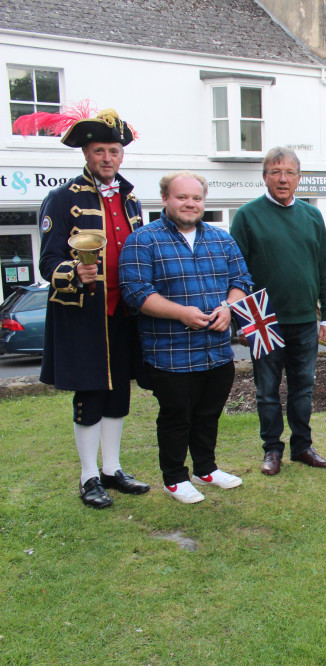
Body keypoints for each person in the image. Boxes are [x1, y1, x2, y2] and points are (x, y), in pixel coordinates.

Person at [28, 109, 151, 509]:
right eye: (99, 151)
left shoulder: (132, 199)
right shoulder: (61, 198)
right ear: (86, 153)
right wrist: (74, 272)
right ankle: (88, 476)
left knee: (118, 394)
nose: (107, 158)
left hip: (123, 311)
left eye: (114, 151)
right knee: (91, 395)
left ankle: (113, 469)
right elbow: (47, 263)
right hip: (83, 315)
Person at [119, 172, 253, 503]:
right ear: (165, 199)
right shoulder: (143, 240)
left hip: (217, 351)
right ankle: (175, 478)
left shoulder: (222, 239)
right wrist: (182, 313)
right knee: (176, 416)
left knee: (209, 413)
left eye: (196, 198)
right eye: (182, 197)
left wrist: (227, 308)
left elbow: (242, 280)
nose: (190, 203)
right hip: (170, 353)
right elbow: (135, 293)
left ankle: (206, 469)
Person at [230, 147, 326, 476]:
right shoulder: (247, 216)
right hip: (263, 319)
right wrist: (239, 318)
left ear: (299, 178)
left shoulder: (312, 216)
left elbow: (323, 268)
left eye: (289, 172)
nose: (282, 178)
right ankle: (272, 450)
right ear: (264, 177)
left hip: (305, 320)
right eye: (275, 172)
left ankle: (302, 446)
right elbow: (235, 270)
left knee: (303, 388)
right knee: (266, 390)